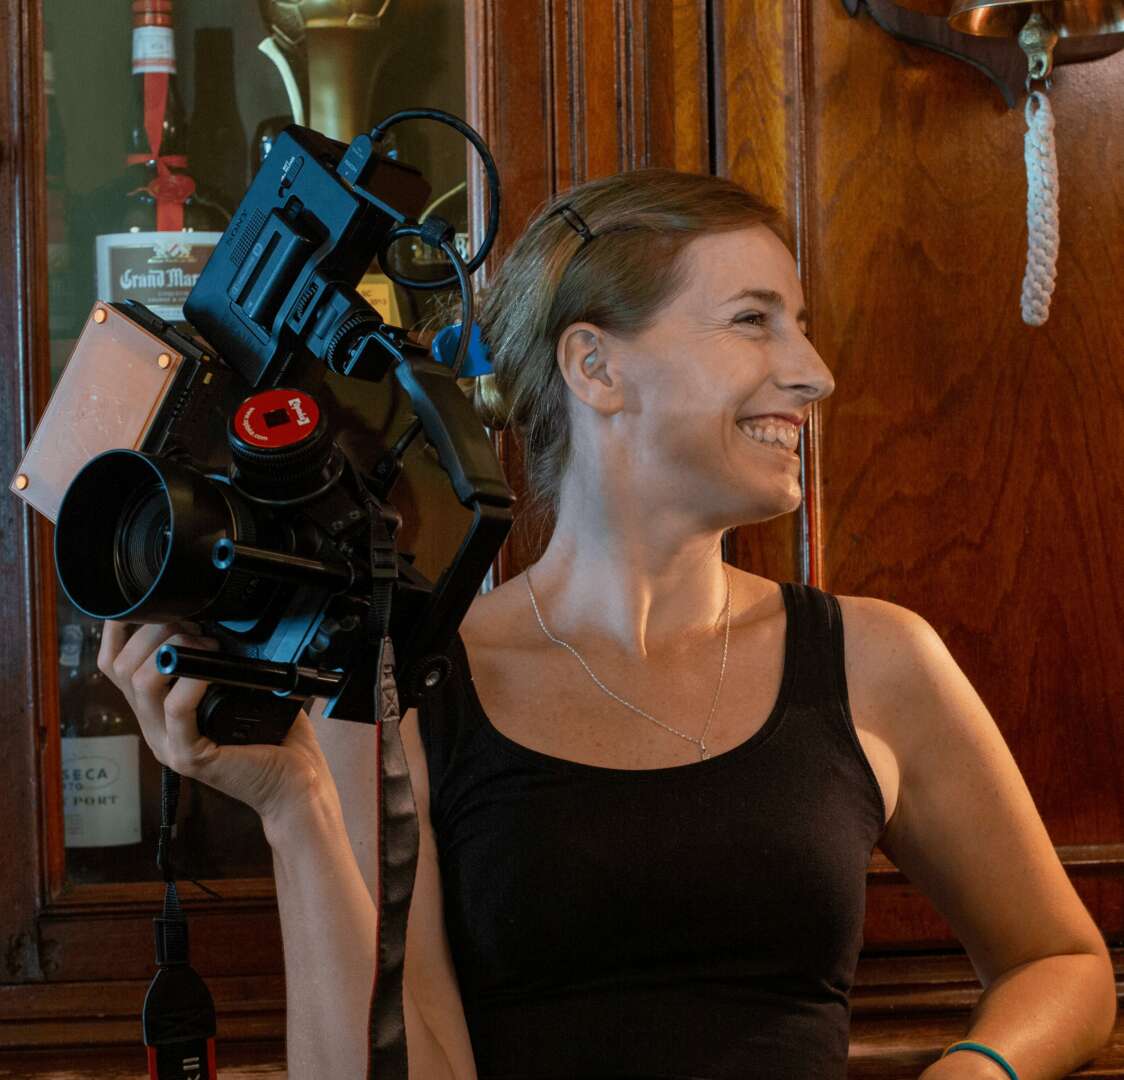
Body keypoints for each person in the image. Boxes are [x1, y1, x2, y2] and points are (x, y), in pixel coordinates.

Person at [99, 169, 1115, 1079]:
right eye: (753, 321)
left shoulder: (877, 660)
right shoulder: (400, 686)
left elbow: (1062, 962)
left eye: (799, 323)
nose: (814, 371)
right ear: (594, 367)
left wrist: (975, 1072)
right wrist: (295, 810)